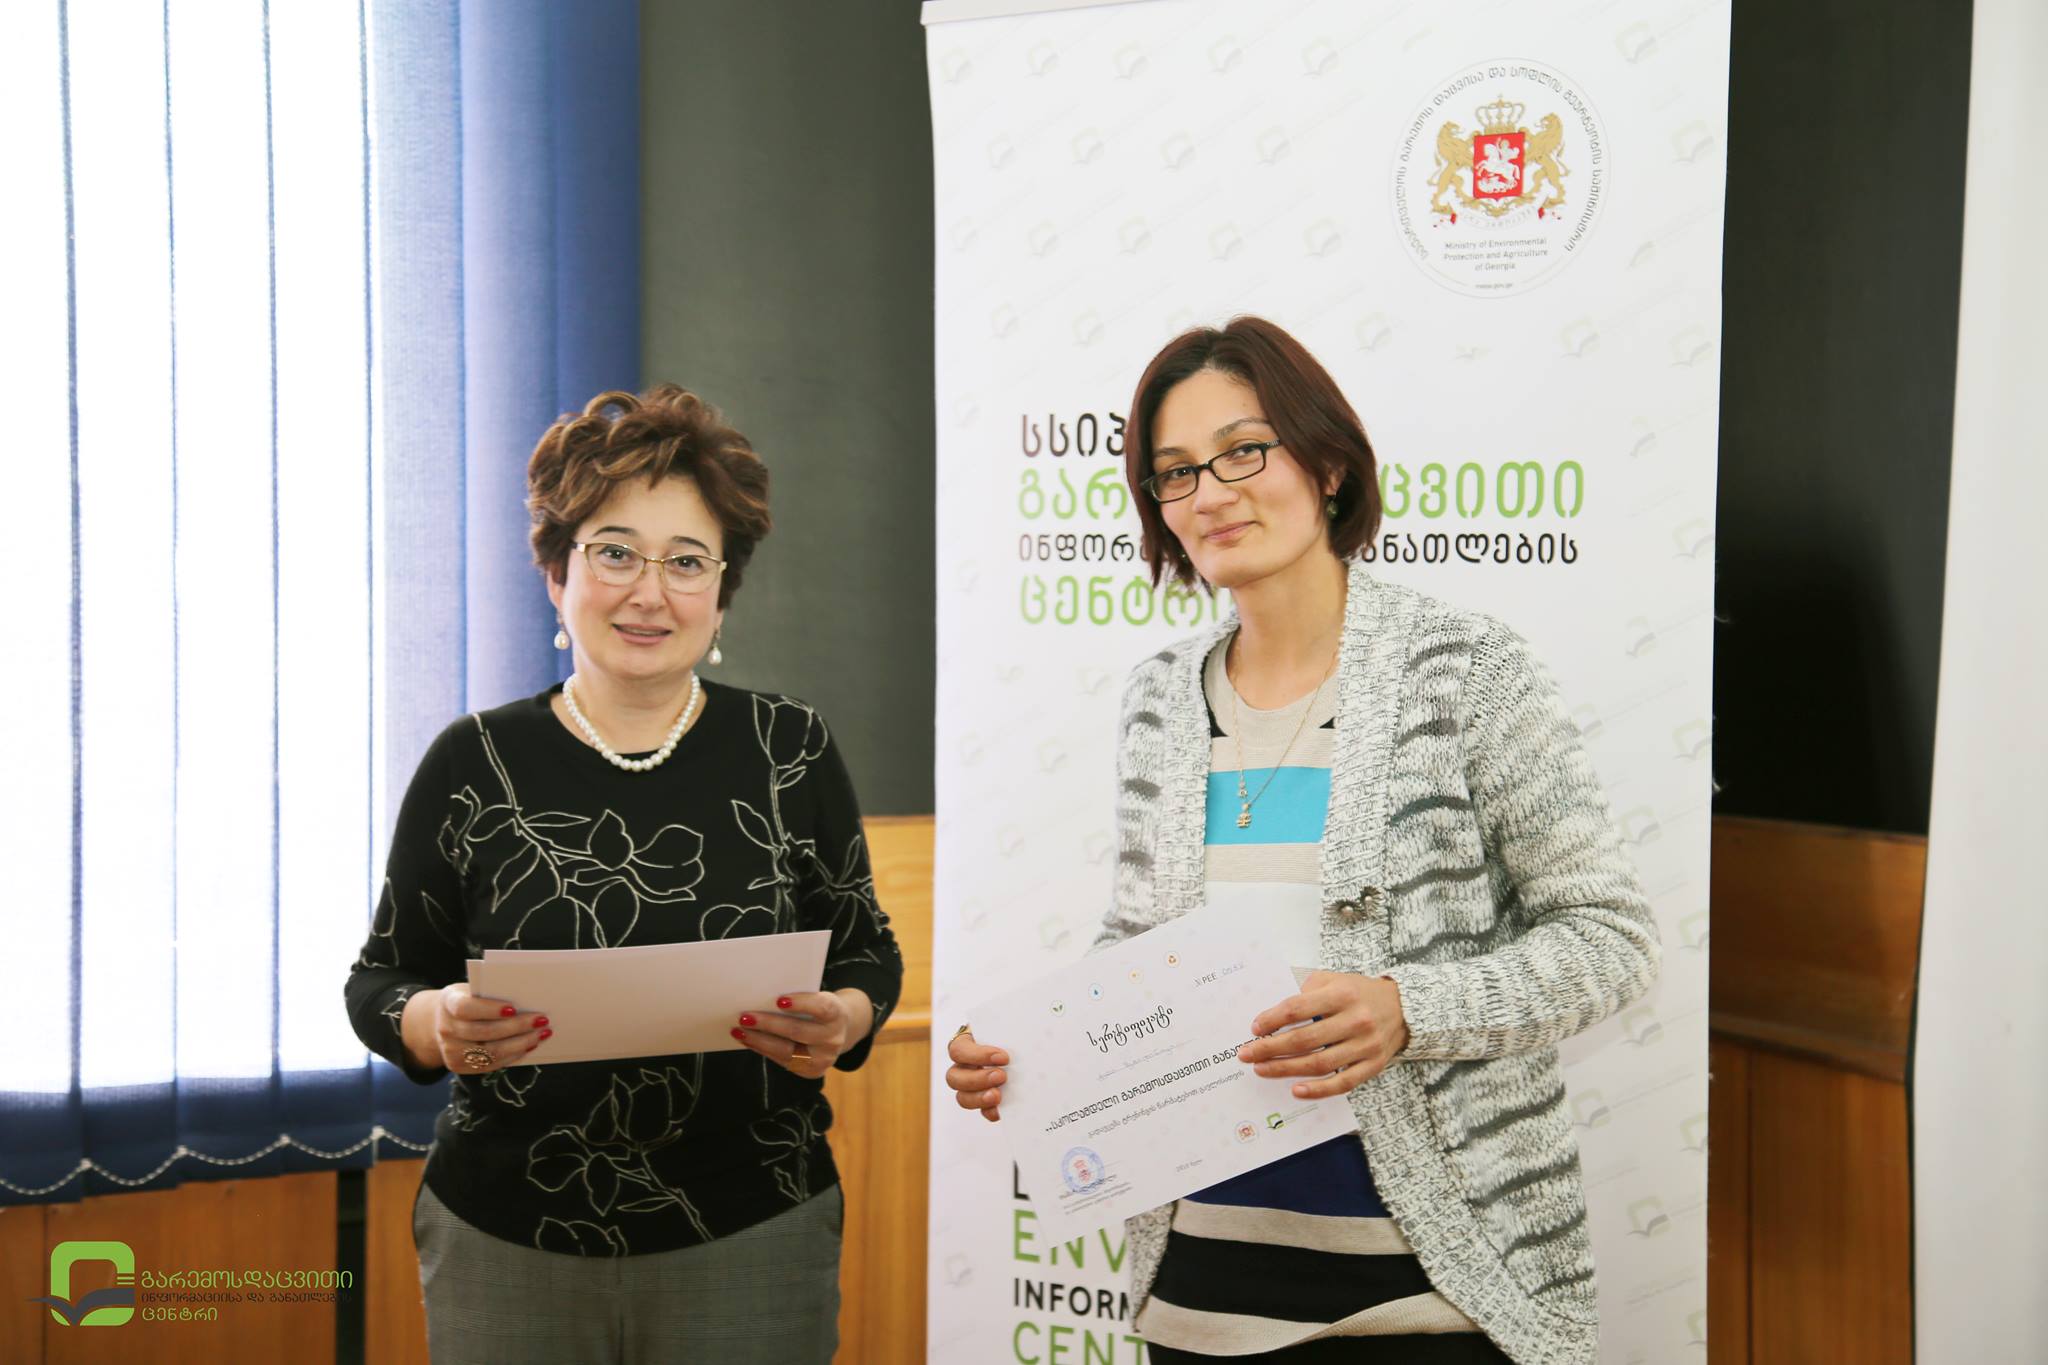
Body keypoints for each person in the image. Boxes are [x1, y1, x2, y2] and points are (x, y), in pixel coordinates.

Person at [945, 317, 1658, 1364]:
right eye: (1175, 472)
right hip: (1200, 1282)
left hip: (1427, 1292)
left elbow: (1610, 938)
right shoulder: (1159, 697)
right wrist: (1039, 1055)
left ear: (1327, 465)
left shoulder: (1463, 670)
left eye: (1243, 451)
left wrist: (1408, 1009)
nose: (1210, 493)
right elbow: (1139, 946)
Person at [345, 385, 902, 1365]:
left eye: (686, 561)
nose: (649, 592)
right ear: (557, 573)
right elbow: (380, 979)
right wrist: (436, 1020)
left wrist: (844, 1018)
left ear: (721, 592)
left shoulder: (789, 748)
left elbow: (865, 951)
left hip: (753, 1227)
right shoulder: (472, 761)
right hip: (507, 1234)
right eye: (614, 552)